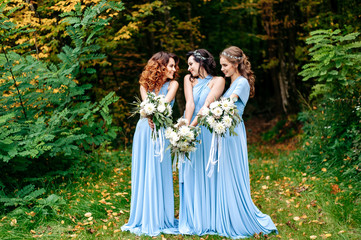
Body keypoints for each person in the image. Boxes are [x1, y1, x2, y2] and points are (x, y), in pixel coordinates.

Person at [215, 46, 278, 238]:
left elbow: (228, 106)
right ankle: (228, 214)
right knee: (225, 173)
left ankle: (239, 217)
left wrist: (212, 110)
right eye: (221, 66)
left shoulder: (241, 83)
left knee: (232, 172)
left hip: (233, 135)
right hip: (225, 133)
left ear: (235, 64)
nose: (222, 69)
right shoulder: (232, 83)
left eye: (225, 65)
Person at [121, 51, 179, 236]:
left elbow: (165, 103)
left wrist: (152, 114)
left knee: (159, 170)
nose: (174, 69)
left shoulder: (173, 84)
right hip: (145, 131)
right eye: (170, 65)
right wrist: (148, 115)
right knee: (144, 170)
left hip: (161, 131)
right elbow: (145, 106)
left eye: (174, 66)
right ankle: (144, 215)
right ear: (160, 66)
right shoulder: (144, 85)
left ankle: (161, 215)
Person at [178, 49, 225, 235]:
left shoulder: (218, 81)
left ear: (201, 62)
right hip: (191, 125)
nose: (188, 68)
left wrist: (192, 127)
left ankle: (209, 217)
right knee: (190, 171)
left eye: (191, 64)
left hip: (207, 129)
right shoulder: (188, 79)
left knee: (207, 172)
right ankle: (192, 217)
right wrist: (186, 129)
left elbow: (206, 105)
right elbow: (190, 103)